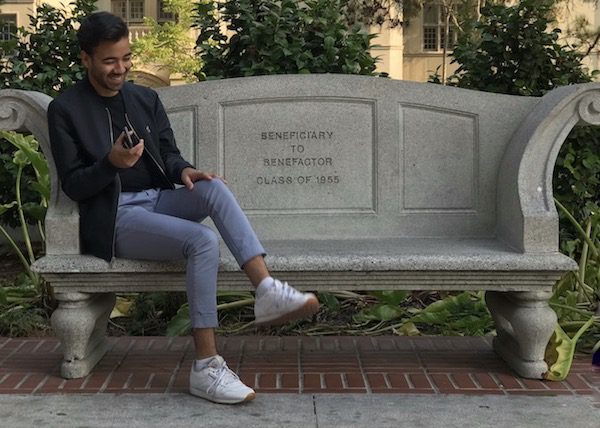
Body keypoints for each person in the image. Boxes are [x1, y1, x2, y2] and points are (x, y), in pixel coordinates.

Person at [47, 11, 319, 404]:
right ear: (86, 58)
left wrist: (187, 170)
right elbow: (74, 185)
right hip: (118, 217)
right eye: (109, 61)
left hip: (158, 200)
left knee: (213, 189)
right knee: (202, 241)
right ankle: (206, 367)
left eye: (125, 58)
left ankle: (267, 289)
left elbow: (169, 155)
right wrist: (111, 164)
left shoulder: (144, 98)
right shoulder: (66, 109)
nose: (120, 68)